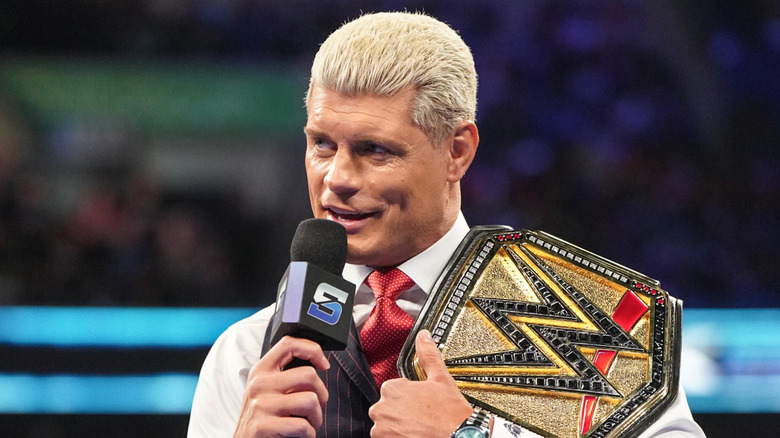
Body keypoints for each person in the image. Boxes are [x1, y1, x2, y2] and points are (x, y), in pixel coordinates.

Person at [188, 11, 705, 438]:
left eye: (374, 150)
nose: (336, 179)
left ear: (457, 151)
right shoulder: (250, 354)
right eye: (322, 144)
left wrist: (472, 435)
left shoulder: (597, 326)